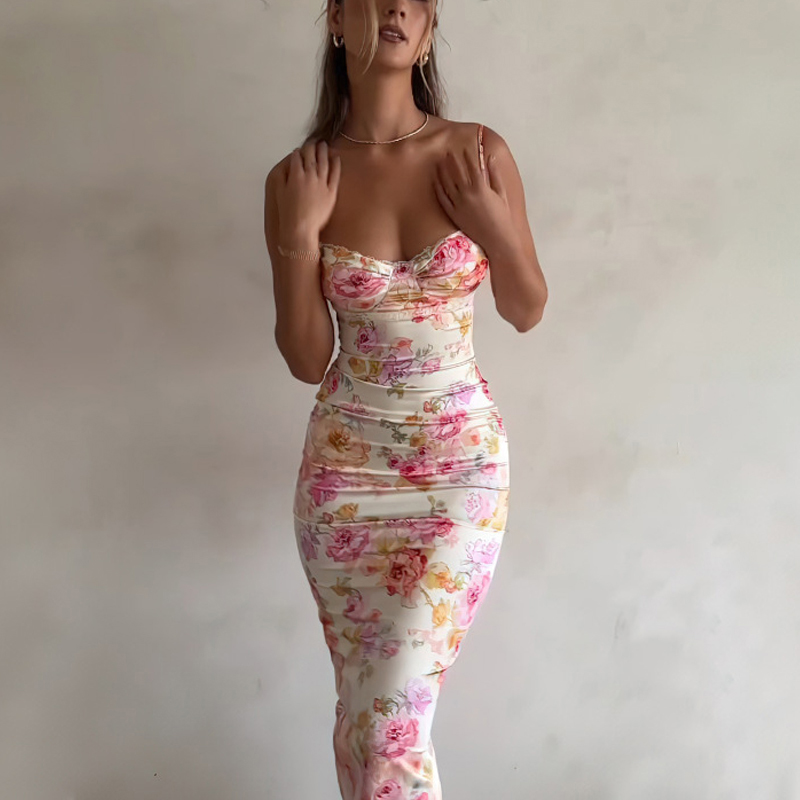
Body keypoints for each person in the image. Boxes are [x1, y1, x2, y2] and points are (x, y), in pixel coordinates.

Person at [264, 2, 547, 797]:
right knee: (367, 718)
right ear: (335, 19)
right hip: (345, 479)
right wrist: (299, 239)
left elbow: (526, 307)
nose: (396, 6)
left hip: (459, 471)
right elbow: (306, 359)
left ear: (428, 28)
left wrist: (493, 225)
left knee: (391, 720)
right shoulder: (297, 179)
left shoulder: (477, 153)